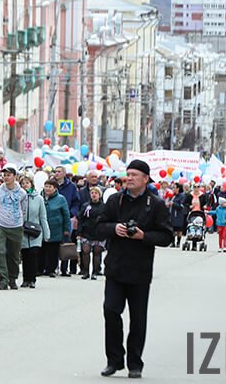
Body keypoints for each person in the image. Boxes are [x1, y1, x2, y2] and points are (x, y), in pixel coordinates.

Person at [95, 159, 172, 379]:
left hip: (139, 271)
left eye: (134, 175)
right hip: (115, 268)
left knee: (138, 319)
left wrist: (143, 236)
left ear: (146, 179)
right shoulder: (114, 200)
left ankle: (135, 363)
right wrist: (114, 228)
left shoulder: (155, 204)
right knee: (111, 311)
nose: (129, 178)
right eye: (127, 174)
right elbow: (97, 227)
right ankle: (114, 360)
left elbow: (166, 236)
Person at [0, 164, 28, 290]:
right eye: (5, 175)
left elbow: (24, 210)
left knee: (14, 254)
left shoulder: (22, 193)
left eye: (9, 175)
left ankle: (12, 278)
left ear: (15, 176)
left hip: (16, 226)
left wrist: (18, 220)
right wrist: (1, 218)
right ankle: (2, 279)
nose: (6, 177)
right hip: (1, 225)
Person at [19, 174, 49, 289]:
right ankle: (25, 279)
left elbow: (43, 217)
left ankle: (32, 279)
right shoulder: (19, 197)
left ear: (31, 184)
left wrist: (46, 233)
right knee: (25, 255)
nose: (25, 185)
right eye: (22, 183)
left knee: (33, 254)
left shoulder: (39, 198)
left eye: (27, 183)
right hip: (22, 231)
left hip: (35, 231)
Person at [42, 178, 71, 277]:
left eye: (50, 187)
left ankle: (51, 269)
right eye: (46, 186)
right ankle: (42, 268)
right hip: (42, 228)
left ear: (55, 188)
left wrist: (67, 229)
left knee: (53, 250)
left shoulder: (61, 199)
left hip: (56, 229)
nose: (47, 189)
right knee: (42, 249)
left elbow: (66, 215)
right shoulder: (40, 197)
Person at [79, 186, 106, 280]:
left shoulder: (104, 206)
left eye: (96, 193)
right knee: (85, 251)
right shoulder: (85, 206)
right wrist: (79, 232)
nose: (94, 195)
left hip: (99, 233)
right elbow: (81, 219)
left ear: (99, 195)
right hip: (86, 231)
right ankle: (86, 271)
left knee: (97, 253)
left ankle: (95, 272)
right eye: (92, 193)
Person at [169, 183, 190, 248]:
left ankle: (178, 242)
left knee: (179, 229)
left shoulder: (182, 196)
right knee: (172, 229)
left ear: (178, 188)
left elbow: (181, 206)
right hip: (172, 214)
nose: (173, 189)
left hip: (179, 214)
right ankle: (173, 242)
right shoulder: (173, 196)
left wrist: (173, 204)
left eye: (174, 187)